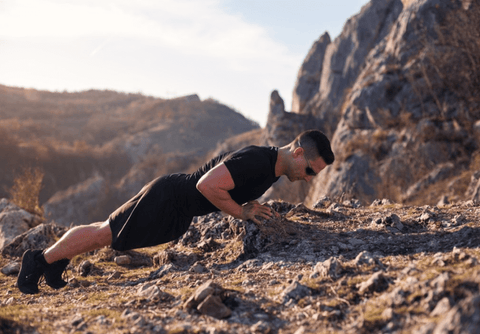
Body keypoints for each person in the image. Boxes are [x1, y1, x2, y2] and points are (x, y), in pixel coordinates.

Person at [17, 129, 335, 294]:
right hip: (168, 198)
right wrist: (242, 213)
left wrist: (249, 205)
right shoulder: (257, 160)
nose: (309, 178)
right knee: (106, 233)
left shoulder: (272, 169)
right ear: (297, 152)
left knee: (107, 233)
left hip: (178, 208)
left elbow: (226, 189)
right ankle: (39, 260)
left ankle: (56, 262)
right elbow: (207, 186)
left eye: (313, 175)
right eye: (310, 170)